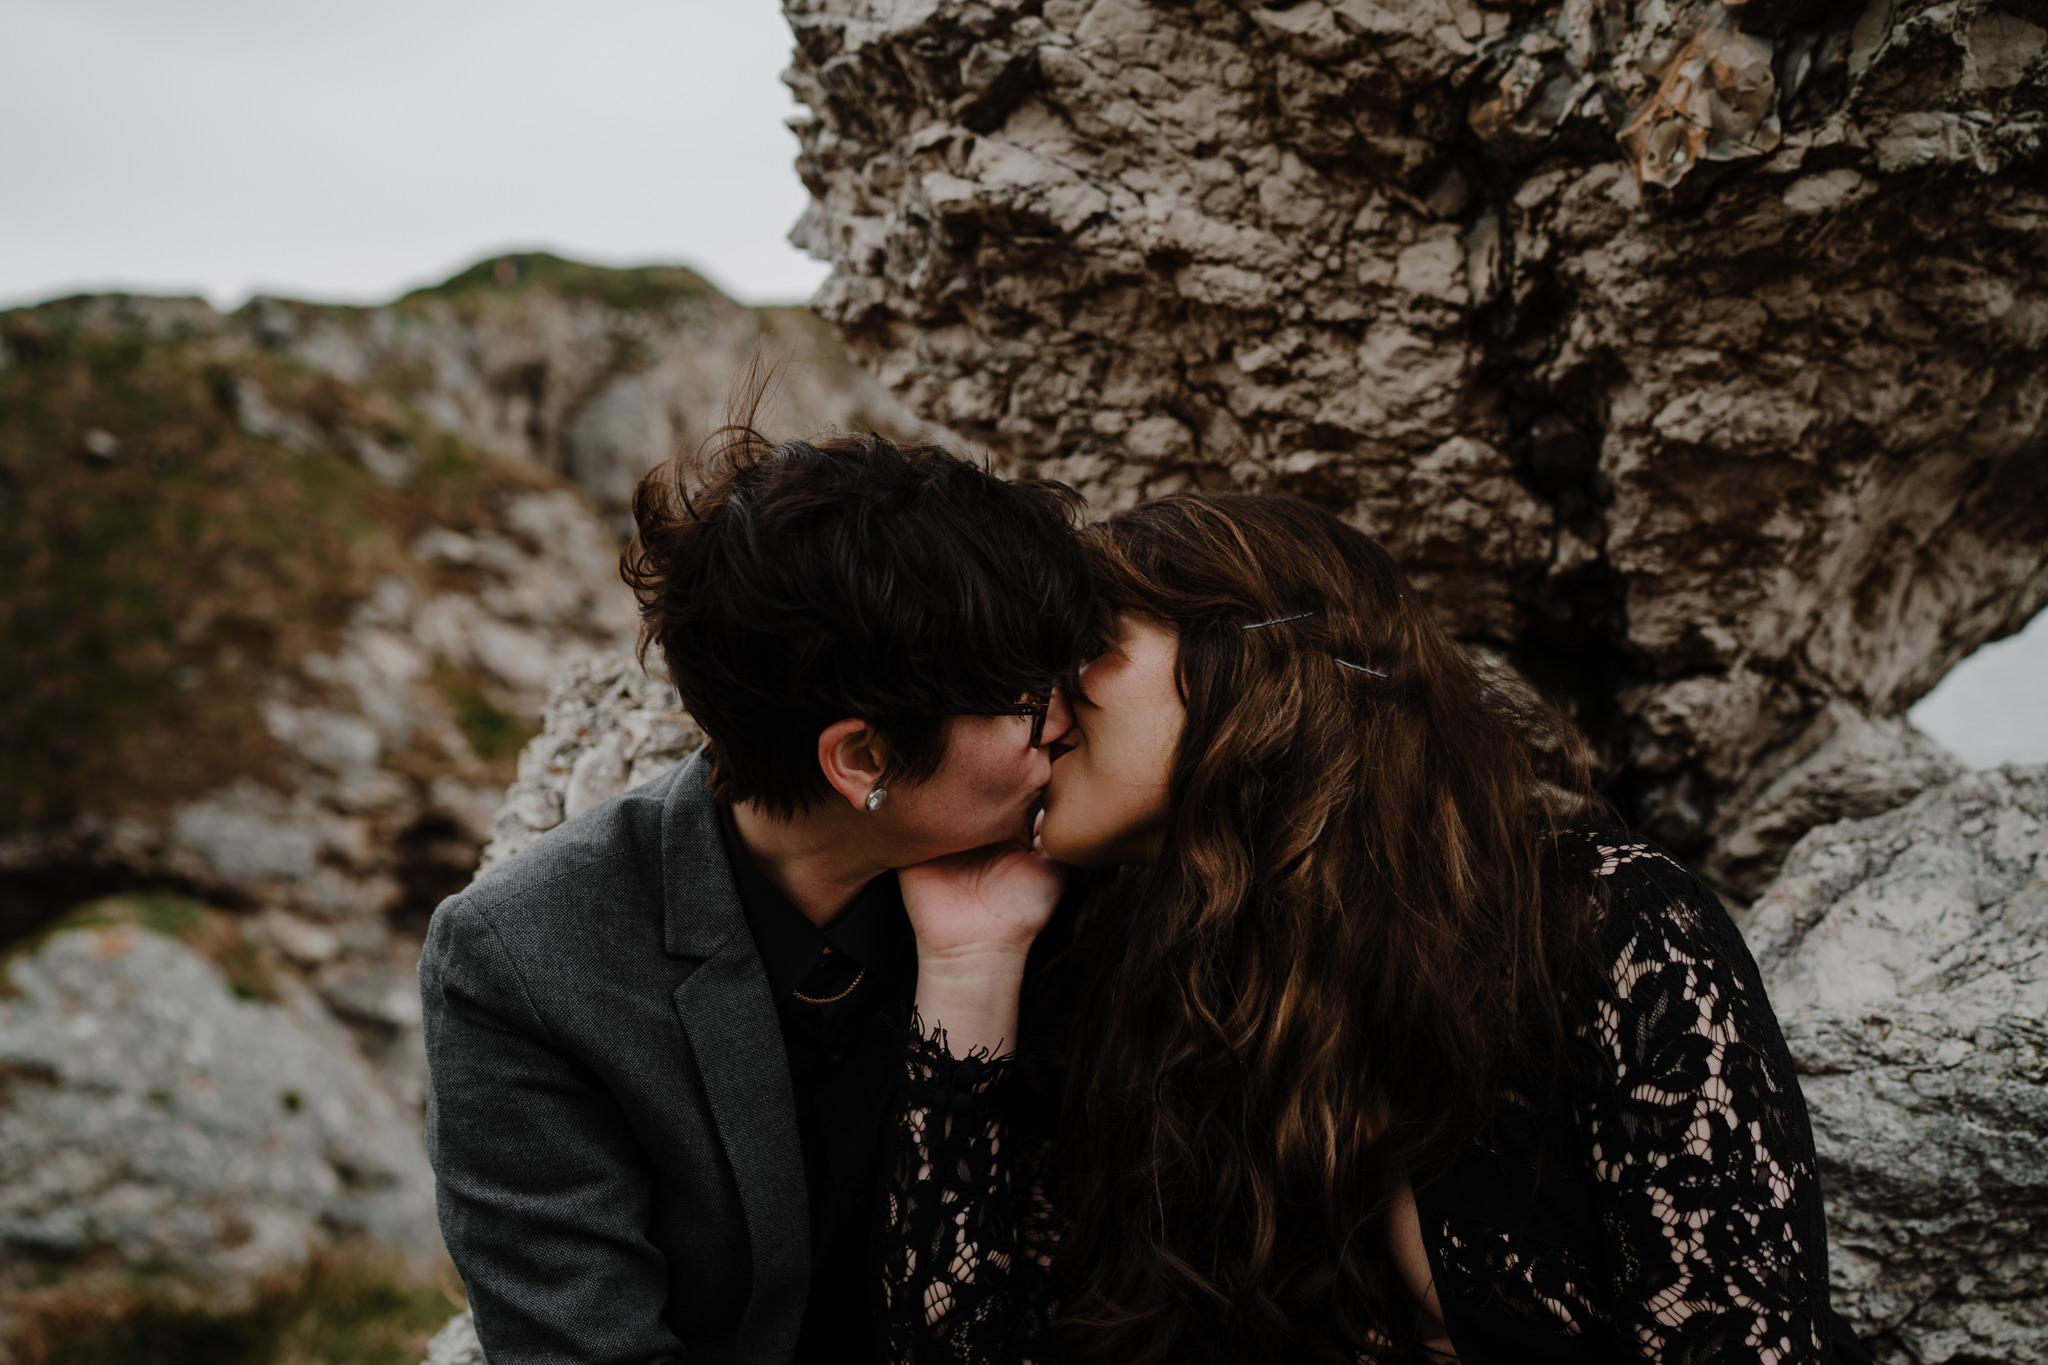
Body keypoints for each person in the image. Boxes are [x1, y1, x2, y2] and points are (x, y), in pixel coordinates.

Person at [879, 493, 1870, 1364]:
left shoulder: (1603, 932)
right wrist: (970, 964)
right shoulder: (1113, 976)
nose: (1042, 704)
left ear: (1250, 655)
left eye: (1087, 642)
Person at [417, 410, 1095, 1365]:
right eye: (1027, 699)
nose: (1067, 721)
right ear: (862, 757)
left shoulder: (1073, 878)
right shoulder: (525, 959)